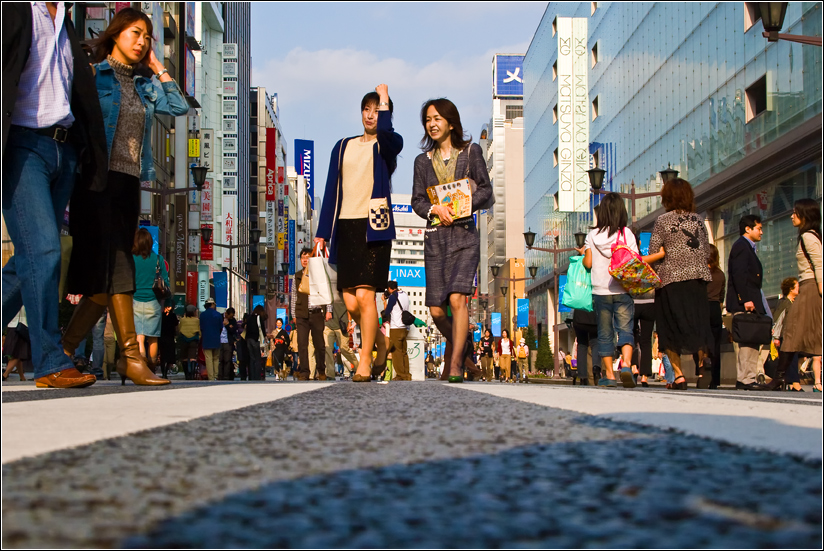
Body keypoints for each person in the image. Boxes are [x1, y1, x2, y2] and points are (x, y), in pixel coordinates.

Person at [61, 8, 188, 387]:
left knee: (103, 283)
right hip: (95, 181)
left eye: (147, 37)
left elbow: (179, 107)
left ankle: (63, 351)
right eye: (135, 33)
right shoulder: (92, 72)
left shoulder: (144, 85)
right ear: (115, 33)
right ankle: (131, 358)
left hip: (128, 185)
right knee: (120, 269)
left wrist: (157, 64)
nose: (141, 41)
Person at [3, 2, 107, 389]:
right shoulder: (12, 11)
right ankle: (48, 361)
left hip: (63, 151)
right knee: (44, 250)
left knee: (28, 261)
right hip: (21, 147)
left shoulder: (66, 20)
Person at [315, 84, 402, 383]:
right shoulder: (342, 146)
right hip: (345, 227)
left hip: (373, 226)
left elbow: (391, 139)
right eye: (367, 109)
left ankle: (365, 362)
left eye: (377, 110)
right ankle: (379, 341)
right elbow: (330, 190)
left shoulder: (386, 144)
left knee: (366, 296)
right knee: (349, 302)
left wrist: (385, 100)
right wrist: (322, 232)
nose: (370, 115)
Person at [410, 98, 493, 383]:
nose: (432, 124)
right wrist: (435, 209)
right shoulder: (422, 162)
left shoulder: (471, 152)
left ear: (451, 122)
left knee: (458, 299)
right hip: (436, 240)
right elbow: (417, 201)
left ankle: (456, 363)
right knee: (435, 309)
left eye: (437, 118)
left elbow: (487, 191)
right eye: (428, 120)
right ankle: (462, 341)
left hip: (465, 236)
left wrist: (463, 205)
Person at [647, 179, 712, 390]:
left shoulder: (663, 220)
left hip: (671, 280)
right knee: (698, 324)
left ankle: (679, 375)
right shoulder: (698, 220)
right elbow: (707, 251)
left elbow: (653, 253)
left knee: (669, 328)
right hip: (698, 279)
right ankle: (703, 363)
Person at [582, 192, 652, 388]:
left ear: (602, 212)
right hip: (622, 288)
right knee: (625, 330)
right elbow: (634, 260)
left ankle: (610, 375)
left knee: (605, 333)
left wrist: (587, 255)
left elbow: (587, 264)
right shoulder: (626, 233)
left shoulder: (592, 235)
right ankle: (627, 365)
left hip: (601, 291)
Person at [777, 199, 822, 393]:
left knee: (792, 330)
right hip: (809, 286)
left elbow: (819, 264)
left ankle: (779, 377)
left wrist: (820, 290)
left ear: (804, 215)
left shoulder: (808, 237)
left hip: (811, 286)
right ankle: (781, 377)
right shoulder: (812, 236)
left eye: (795, 212)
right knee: (805, 333)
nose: (792, 216)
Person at [726, 214, 771, 391]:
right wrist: (745, 299)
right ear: (748, 229)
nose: (761, 232)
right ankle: (745, 378)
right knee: (746, 342)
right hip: (745, 303)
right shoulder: (741, 247)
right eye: (759, 228)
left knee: (752, 341)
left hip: (750, 301)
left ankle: (749, 377)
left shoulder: (747, 247)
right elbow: (739, 274)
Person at [130, 228, 169, 375]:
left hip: (135, 300)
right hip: (153, 302)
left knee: (139, 336)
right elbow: (166, 282)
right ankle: (152, 366)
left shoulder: (131, 259)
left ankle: (141, 365)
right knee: (153, 338)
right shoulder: (158, 259)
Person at [290, 248, 332, 381]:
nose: (305, 260)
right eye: (303, 257)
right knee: (302, 344)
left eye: (308, 257)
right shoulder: (296, 276)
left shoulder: (319, 275)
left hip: (317, 313)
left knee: (319, 344)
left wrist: (329, 310)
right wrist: (293, 315)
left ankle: (321, 370)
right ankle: (304, 372)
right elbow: (294, 296)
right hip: (302, 314)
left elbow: (327, 292)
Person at [770, 278, 799, 390]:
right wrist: (776, 337)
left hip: (794, 336)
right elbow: (778, 320)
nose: (799, 288)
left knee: (792, 360)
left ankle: (791, 384)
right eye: (797, 286)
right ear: (791, 289)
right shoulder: (784, 302)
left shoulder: (795, 302)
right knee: (789, 360)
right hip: (785, 336)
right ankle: (794, 385)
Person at [704, 244, 726, 388]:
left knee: (703, 342)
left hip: (703, 307)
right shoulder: (720, 274)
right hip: (716, 308)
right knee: (716, 344)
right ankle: (715, 379)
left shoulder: (702, 273)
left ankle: (704, 371)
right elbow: (722, 295)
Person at [324, 301, 359, 381]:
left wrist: (350, 323)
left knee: (344, 348)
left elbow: (350, 308)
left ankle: (358, 367)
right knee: (327, 348)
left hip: (342, 325)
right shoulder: (327, 292)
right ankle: (330, 374)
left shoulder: (342, 292)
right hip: (328, 325)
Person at [384, 281, 411, 381]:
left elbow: (387, 311)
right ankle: (407, 374)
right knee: (404, 352)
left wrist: (384, 301)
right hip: (405, 327)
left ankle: (401, 375)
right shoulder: (404, 294)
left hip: (396, 327)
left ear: (390, 288)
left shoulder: (392, 297)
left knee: (397, 353)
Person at [572, 308, 599, 385]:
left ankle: (582, 377)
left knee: (581, 345)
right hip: (594, 317)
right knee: (595, 343)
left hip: (579, 317)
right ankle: (596, 369)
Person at [199, 298, 223, 381]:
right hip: (216, 338)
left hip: (206, 339)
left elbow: (201, 328)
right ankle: (216, 375)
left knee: (208, 358)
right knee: (216, 358)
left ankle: (211, 377)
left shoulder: (202, 315)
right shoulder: (218, 315)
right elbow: (221, 328)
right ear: (212, 304)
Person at [245, 305, 267, 381]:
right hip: (256, 339)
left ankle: (251, 376)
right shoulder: (259, 318)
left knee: (251, 359)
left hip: (248, 340)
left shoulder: (250, 317)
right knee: (257, 359)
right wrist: (264, 337)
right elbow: (262, 329)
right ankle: (257, 376)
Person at [178, 305, 200, 380]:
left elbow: (179, 329)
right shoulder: (197, 320)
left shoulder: (182, 320)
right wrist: (198, 337)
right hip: (193, 340)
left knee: (184, 357)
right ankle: (192, 374)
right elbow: (199, 330)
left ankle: (186, 374)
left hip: (184, 339)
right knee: (192, 357)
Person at [159, 304, 178, 379]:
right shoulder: (173, 316)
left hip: (162, 337)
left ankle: (163, 372)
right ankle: (166, 372)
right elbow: (176, 327)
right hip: (170, 337)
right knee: (170, 356)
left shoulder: (161, 316)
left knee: (162, 356)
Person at [218, 308, 238, 381]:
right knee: (220, 360)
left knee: (227, 360)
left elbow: (233, 330)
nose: (231, 318)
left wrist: (227, 325)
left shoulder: (233, 321)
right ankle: (220, 375)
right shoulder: (219, 317)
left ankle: (226, 376)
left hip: (228, 342)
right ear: (226, 313)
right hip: (219, 341)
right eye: (230, 316)